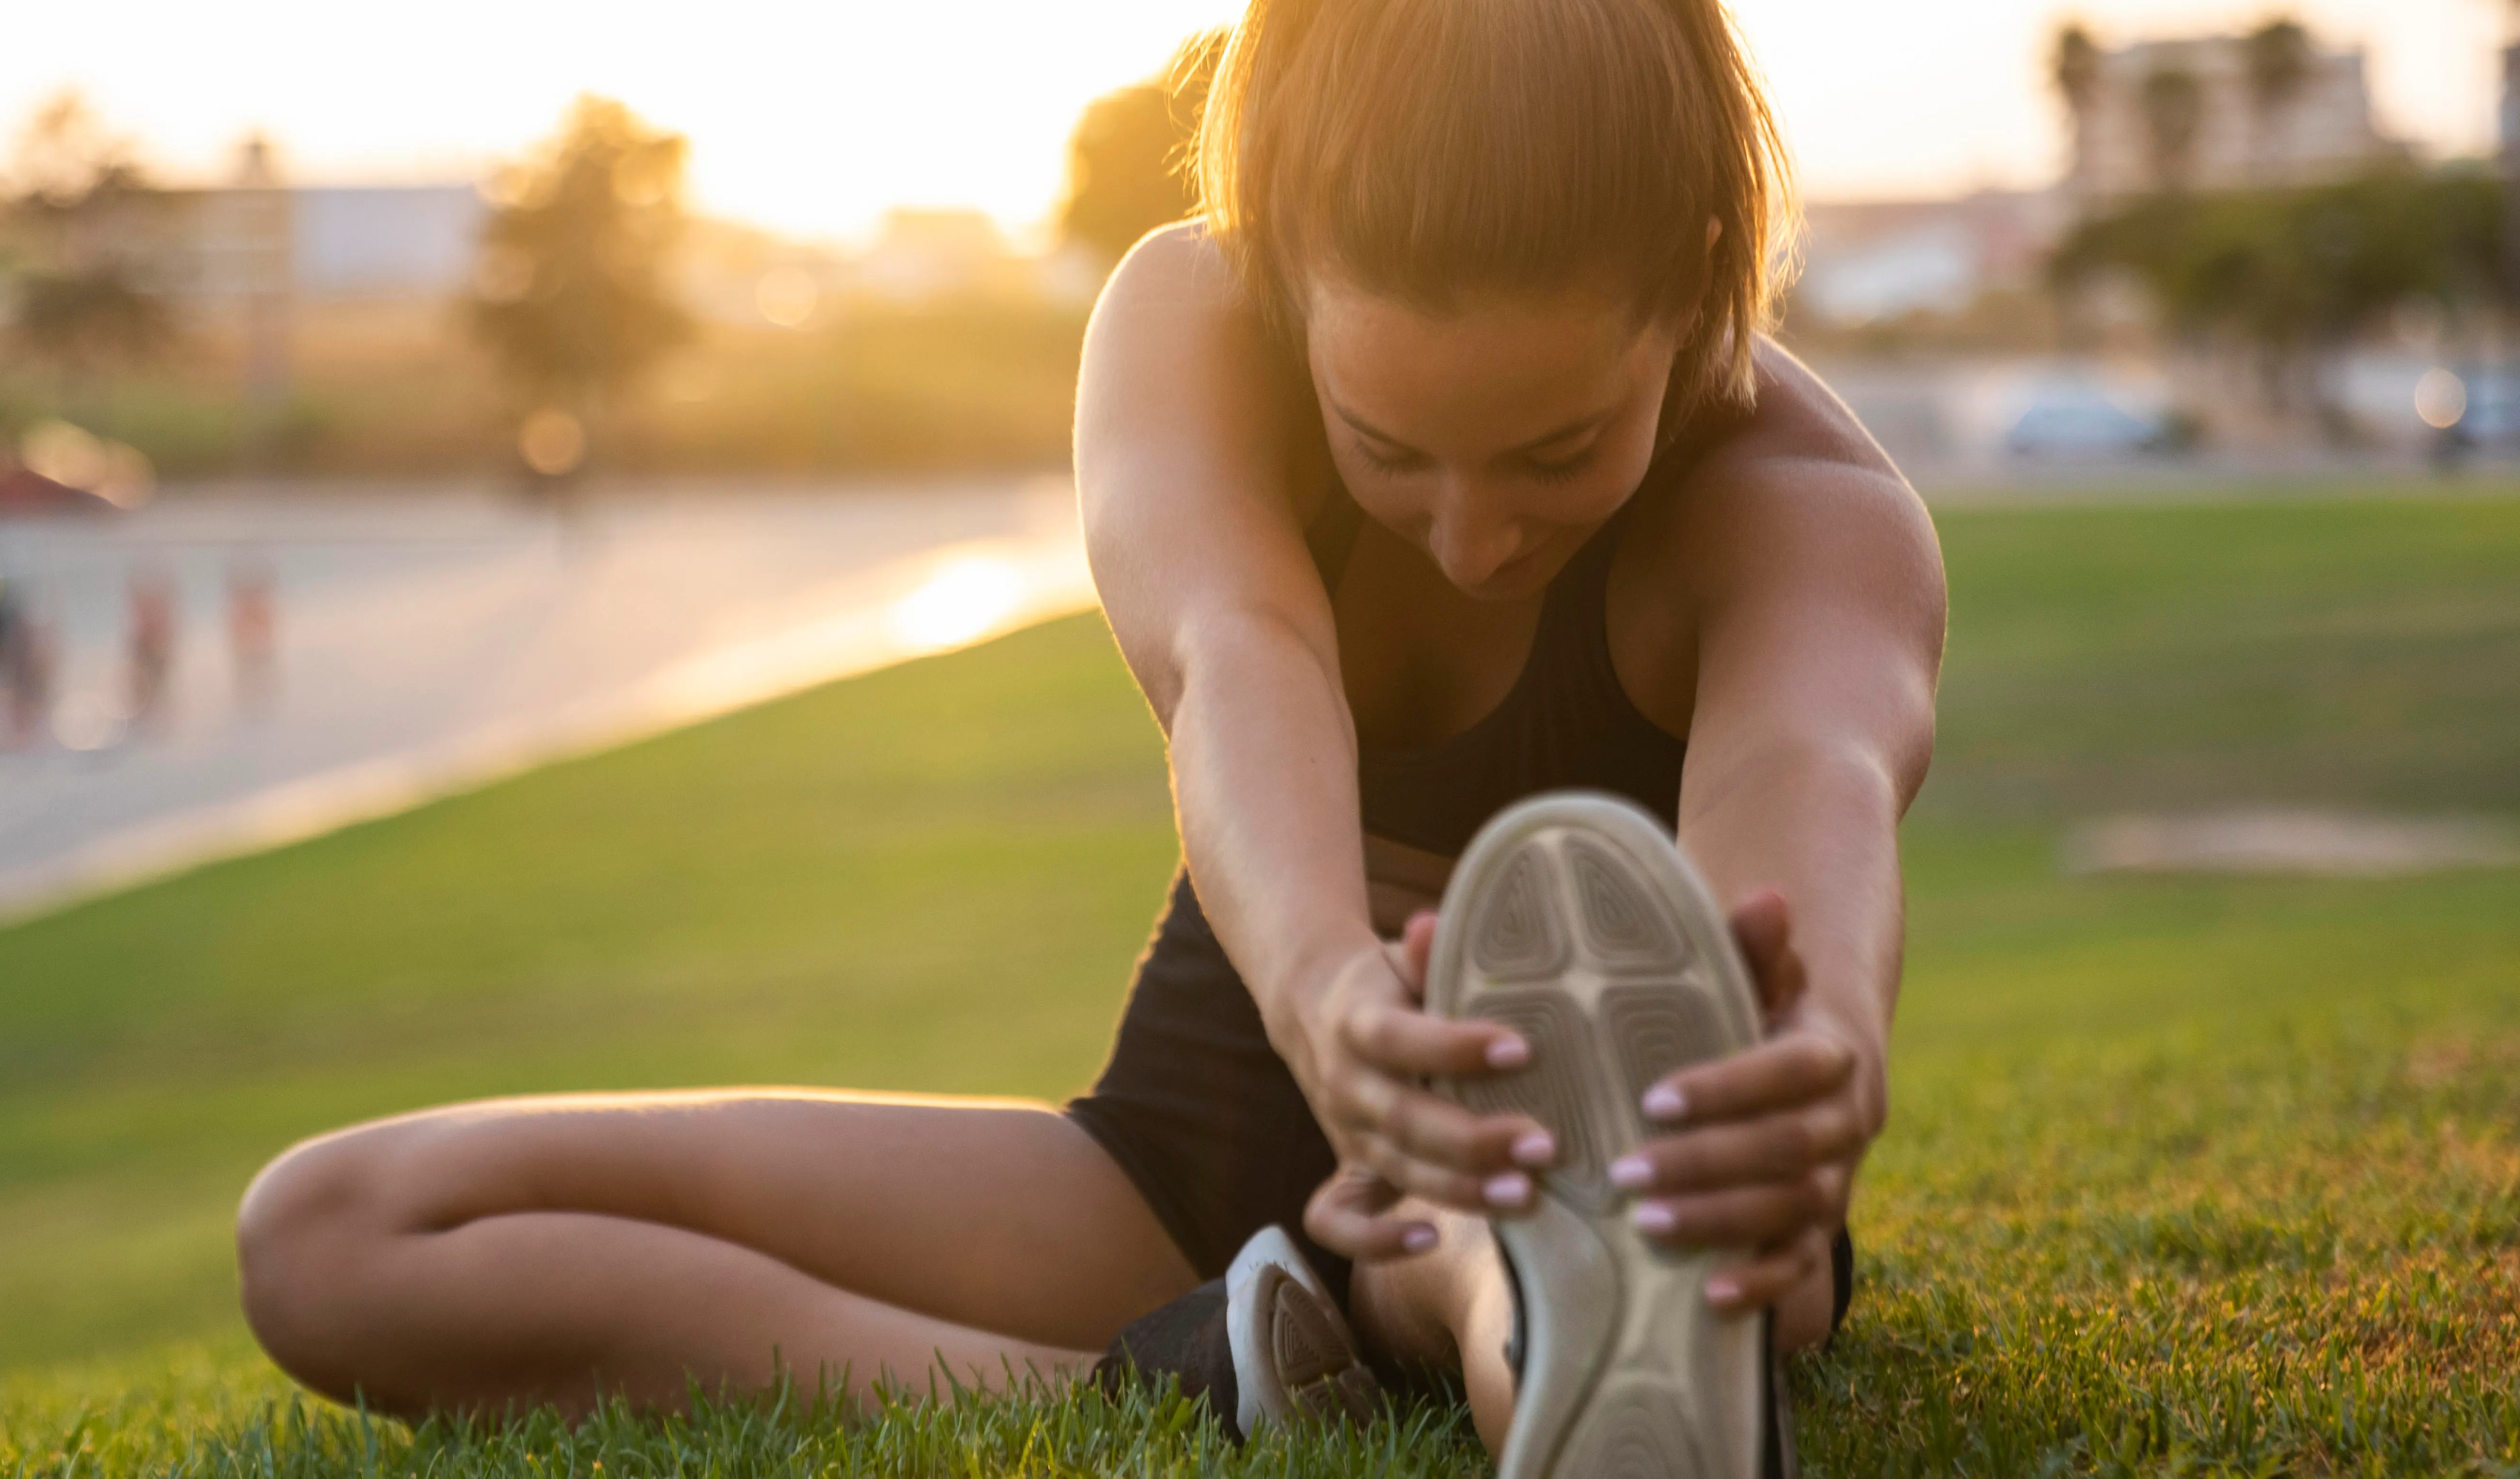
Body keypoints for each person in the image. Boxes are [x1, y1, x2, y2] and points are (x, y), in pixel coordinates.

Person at [232, 0, 1943, 1470]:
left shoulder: (1804, 517)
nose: (1472, 534)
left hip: (1609, 1159)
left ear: (1703, 277)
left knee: (1602, 1243)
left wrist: (1811, 1055)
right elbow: (1235, 659)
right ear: (1282, 267)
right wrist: (1331, 999)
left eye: (1559, 451)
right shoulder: (1192, 324)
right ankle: (1218, 1381)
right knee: (341, 1233)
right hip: (1184, 1162)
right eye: (1387, 448)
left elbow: (1806, 793)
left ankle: (1523, 1309)